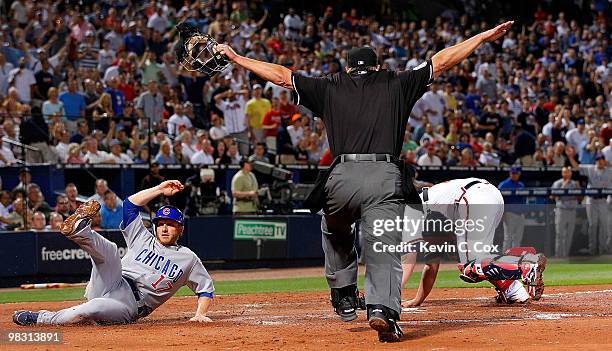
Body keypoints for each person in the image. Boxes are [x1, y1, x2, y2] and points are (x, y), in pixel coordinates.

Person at [214, 19, 514, 342]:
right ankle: (382, 311)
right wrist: (481, 37)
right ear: (378, 67)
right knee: (383, 246)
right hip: (385, 177)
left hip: (341, 176)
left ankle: (344, 293)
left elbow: (282, 77)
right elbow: (442, 61)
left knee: (334, 228)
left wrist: (236, 57)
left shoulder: (329, 85)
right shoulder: (397, 83)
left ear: (347, 69)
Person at [13, 181, 214, 326]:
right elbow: (130, 205)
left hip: (129, 304)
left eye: (170, 225)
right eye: (160, 224)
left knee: (92, 308)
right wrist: (160, 189)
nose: (164, 228)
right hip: (113, 280)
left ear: (180, 230)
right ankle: (80, 231)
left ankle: (41, 318)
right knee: (110, 251)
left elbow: (205, 289)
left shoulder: (188, 258)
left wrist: (200, 314)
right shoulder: (142, 237)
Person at [401, 178, 546, 307]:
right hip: (491, 195)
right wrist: (417, 300)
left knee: (470, 265)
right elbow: (431, 266)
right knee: (482, 260)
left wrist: (386, 296)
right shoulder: (426, 205)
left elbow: (407, 262)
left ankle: (525, 265)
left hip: (473, 198)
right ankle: (513, 291)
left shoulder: (410, 210)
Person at [578, 155, 611, 255]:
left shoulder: (609, 171)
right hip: (592, 200)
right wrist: (571, 156)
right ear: (595, 161)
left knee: (604, 225)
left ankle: (603, 249)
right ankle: (592, 249)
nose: (600, 162)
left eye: (601, 160)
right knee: (593, 225)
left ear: (604, 161)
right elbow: (577, 167)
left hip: (603, 200)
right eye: (598, 160)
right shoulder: (590, 168)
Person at [551, 167, 580, 257]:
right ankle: (558, 255)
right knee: (560, 234)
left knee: (569, 234)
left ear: (571, 173)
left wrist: (578, 189)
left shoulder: (575, 183)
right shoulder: (557, 183)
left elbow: (580, 198)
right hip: (561, 210)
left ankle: (565, 255)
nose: (567, 174)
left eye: (568, 172)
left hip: (572, 211)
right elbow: (553, 197)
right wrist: (563, 186)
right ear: (562, 173)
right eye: (565, 172)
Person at [498, 166, 526, 250]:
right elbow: (499, 200)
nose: (514, 175)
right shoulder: (504, 184)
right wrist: (501, 213)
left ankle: (515, 257)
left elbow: (524, 200)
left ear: (519, 174)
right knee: (508, 237)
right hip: (509, 213)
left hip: (520, 214)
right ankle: (504, 258)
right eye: (513, 173)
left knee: (518, 238)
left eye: (516, 173)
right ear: (510, 173)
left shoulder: (521, 185)